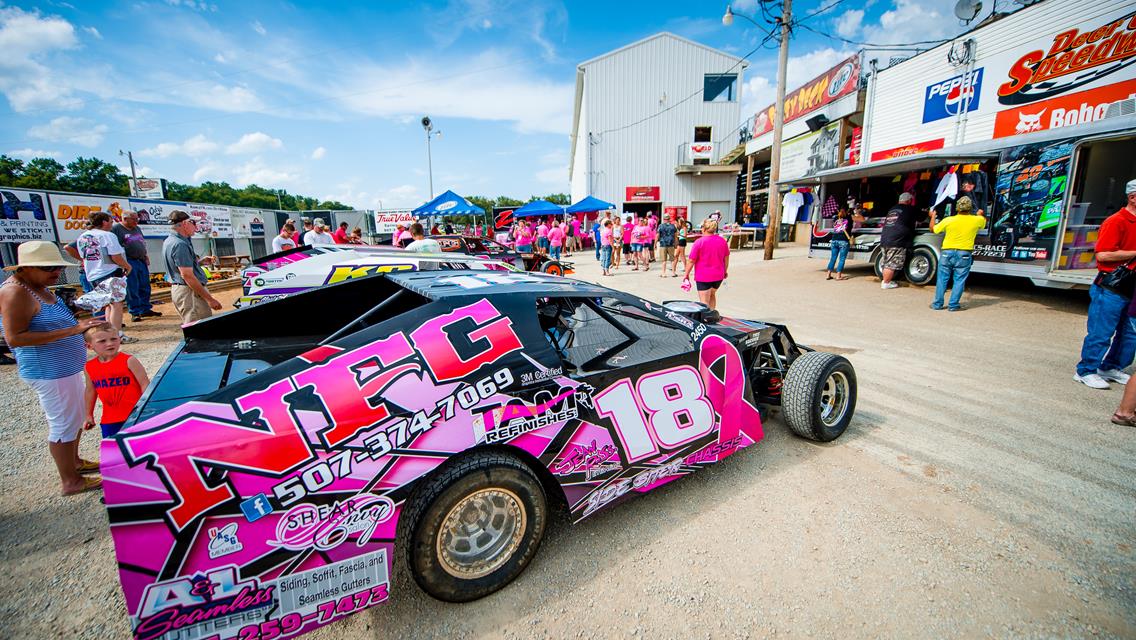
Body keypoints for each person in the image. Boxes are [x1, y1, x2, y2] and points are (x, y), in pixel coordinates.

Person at [0, 241, 104, 495]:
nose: (56, 272)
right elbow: (15, 338)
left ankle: (75, 463)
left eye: (57, 266)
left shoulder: (37, 287)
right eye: (49, 268)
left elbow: (47, 321)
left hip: (64, 367)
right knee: (63, 423)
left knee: (75, 416)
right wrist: (73, 330)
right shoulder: (16, 292)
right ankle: (70, 481)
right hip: (50, 370)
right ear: (25, 268)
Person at [1076, 179, 1136, 389]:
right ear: (1132, 197)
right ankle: (1086, 370)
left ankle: (1111, 366)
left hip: (1131, 285)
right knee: (1102, 330)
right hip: (1113, 285)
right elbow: (1103, 254)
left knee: (1129, 332)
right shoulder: (1116, 221)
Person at [76, 212, 135, 343]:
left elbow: (82, 255)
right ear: (104, 222)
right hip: (109, 272)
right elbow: (115, 256)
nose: (112, 224)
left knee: (108, 305)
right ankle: (117, 335)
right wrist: (127, 266)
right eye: (110, 221)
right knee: (116, 304)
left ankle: (109, 333)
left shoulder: (83, 236)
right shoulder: (107, 235)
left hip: (92, 274)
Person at [83, 322, 148, 439]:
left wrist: (147, 409)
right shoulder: (89, 367)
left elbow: (145, 385)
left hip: (136, 415)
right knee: (115, 451)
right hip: (109, 419)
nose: (109, 344)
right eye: (102, 341)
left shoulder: (129, 361)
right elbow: (90, 391)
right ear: (89, 346)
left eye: (114, 339)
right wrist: (88, 415)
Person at [163, 211, 222, 324]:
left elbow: (179, 268)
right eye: (194, 223)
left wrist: (198, 263)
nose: (196, 227)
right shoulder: (180, 244)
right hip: (190, 293)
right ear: (185, 223)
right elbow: (187, 275)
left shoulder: (171, 240)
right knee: (200, 329)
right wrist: (209, 299)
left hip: (185, 290)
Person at [929, 195, 986, 312]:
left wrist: (933, 216)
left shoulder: (948, 220)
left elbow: (933, 229)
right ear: (970, 208)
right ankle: (953, 305)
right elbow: (983, 222)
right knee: (959, 280)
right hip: (964, 254)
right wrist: (980, 214)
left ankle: (937, 304)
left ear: (957, 208)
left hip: (947, 253)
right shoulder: (977, 220)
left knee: (942, 279)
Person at [112, 211, 159, 323]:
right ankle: (135, 311)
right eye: (134, 219)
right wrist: (123, 264)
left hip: (140, 260)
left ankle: (145, 308)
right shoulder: (116, 229)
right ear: (125, 218)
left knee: (145, 285)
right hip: (129, 261)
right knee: (132, 287)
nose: (136, 221)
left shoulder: (137, 228)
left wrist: (145, 255)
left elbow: (142, 242)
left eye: (137, 219)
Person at [879, 192, 924, 289]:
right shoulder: (910, 209)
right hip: (897, 240)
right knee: (891, 263)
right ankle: (886, 283)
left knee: (886, 261)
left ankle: (886, 280)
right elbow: (922, 217)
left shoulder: (892, 209)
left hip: (885, 238)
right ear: (909, 201)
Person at [684, 219, 730, 311]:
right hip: (718, 275)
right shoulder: (722, 241)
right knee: (712, 294)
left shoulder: (699, 242)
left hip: (703, 276)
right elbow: (726, 258)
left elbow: (691, 261)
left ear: (703, 228)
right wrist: (725, 271)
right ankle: (712, 315)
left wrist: (686, 274)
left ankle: (706, 319)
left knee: (704, 301)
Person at [826, 207, 853, 281]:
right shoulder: (849, 219)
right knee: (842, 259)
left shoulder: (836, 220)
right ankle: (838, 276)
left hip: (834, 240)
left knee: (833, 258)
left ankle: (828, 274)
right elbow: (851, 225)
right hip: (843, 241)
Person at [657, 213, 678, 277]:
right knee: (672, 259)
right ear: (669, 219)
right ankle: (673, 273)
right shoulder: (673, 226)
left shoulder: (661, 226)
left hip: (663, 244)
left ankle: (663, 273)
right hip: (671, 244)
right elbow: (675, 236)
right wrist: (676, 243)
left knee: (664, 260)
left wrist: (655, 243)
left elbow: (658, 235)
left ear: (664, 219)